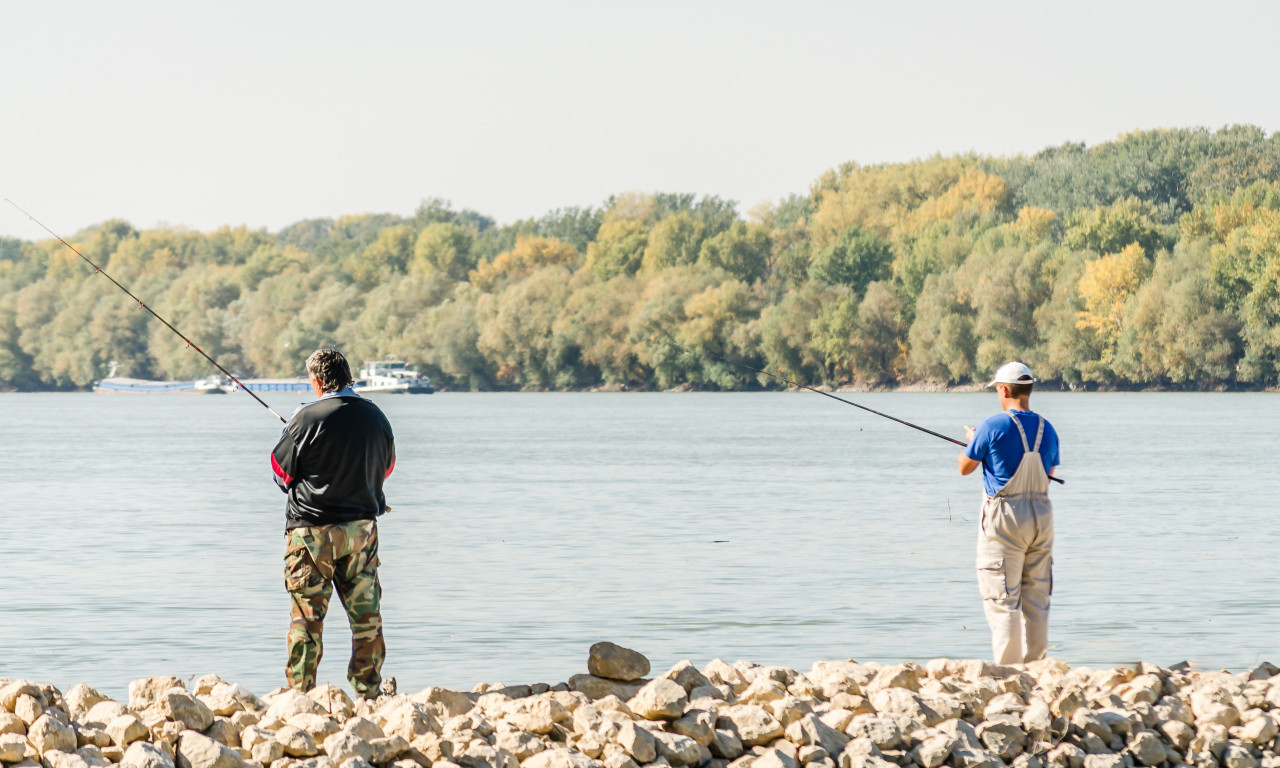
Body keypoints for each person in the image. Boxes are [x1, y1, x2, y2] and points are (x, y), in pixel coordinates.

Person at [270, 348, 396, 698]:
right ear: (348, 376)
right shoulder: (377, 417)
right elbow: (386, 468)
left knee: (307, 619)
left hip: (311, 534)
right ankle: (369, 693)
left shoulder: (304, 418)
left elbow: (280, 474)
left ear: (317, 381)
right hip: (361, 532)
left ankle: (300, 695)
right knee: (367, 619)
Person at [958, 361, 1060, 665]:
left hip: (1005, 518)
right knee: (1037, 598)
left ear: (1003, 390)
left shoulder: (991, 426)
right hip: (1041, 514)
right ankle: (1038, 668)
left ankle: (1009, 674)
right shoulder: (1047, 428)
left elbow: (964, 467)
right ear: (1029, 389)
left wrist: (973, 441)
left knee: (1003, 599)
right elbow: (1049, 473)